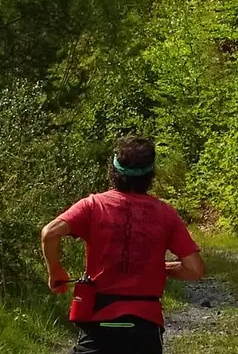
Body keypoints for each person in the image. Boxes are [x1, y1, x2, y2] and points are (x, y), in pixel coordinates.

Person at [40, 136, 206, 354]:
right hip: (145, 330)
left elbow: (49, 233)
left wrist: (55, 271)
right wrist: (158, 267)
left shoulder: (93, 205)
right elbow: (194, 269)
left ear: (113, 171)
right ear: (151, 175)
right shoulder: (166, 214)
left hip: (100, 324)